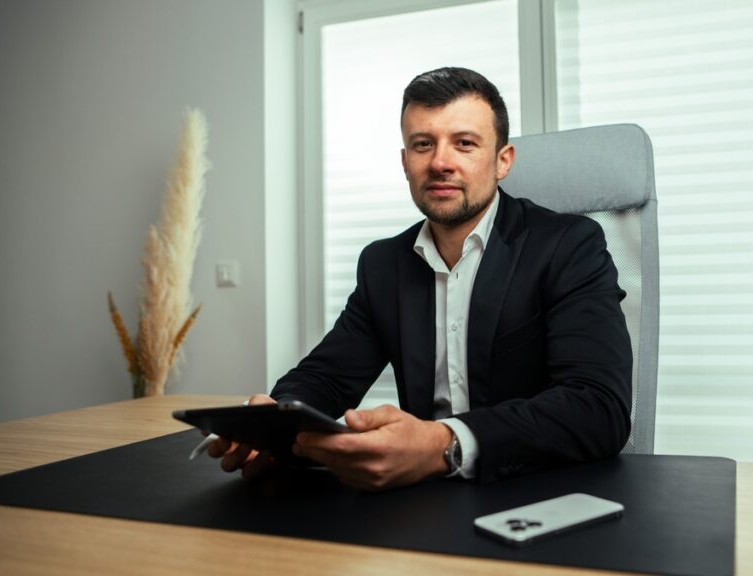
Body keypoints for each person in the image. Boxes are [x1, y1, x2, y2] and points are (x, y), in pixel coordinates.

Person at [209, 67, 632, 490]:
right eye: (422, 145)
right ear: (404, 162)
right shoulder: (382, 264)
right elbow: (328, 376)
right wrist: (273, 423)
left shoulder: (568, 245)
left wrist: (442, 443)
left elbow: (598, 408)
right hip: (421, 504)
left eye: (464, 144)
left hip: (538, 492)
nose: (440, 162)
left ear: (503, 161)